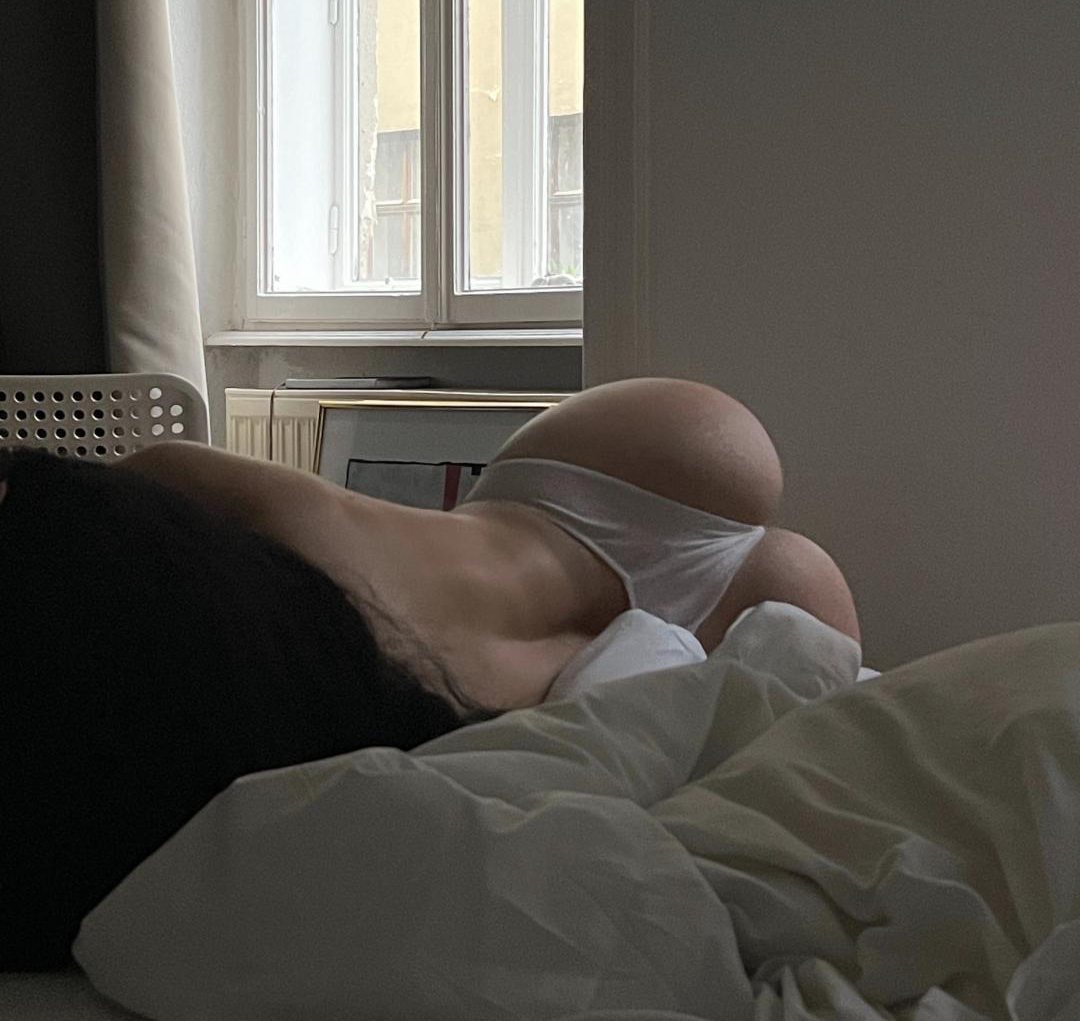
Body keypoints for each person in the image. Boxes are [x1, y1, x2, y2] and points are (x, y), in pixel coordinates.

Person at [0, 376, 859, 970]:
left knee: (800, 619)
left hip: (518, 673)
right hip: (591, 484)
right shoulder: (162, 496)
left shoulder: (274, 776)